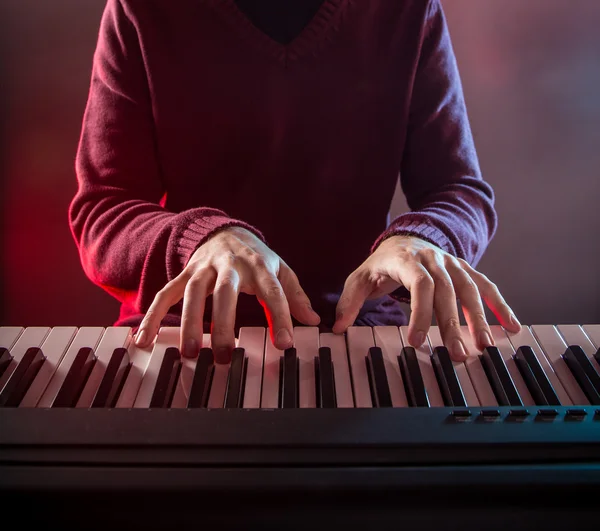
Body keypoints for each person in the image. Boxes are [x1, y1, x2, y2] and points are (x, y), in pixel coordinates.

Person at [69, 0, 521, 365]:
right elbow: (102, 211)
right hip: (186, 333)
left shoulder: (408, 10)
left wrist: (421, 239)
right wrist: (200, 241)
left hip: (356, 333)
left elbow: (459, 192)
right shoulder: (141, 11)